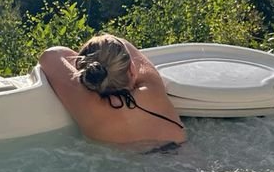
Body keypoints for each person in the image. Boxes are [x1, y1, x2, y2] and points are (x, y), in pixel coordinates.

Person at [39, 33, 187, 150]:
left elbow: (50, 55)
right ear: (132, 70)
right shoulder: (152, 88)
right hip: (184, 162)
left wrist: (88, 70)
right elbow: (124, 44)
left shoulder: (89, 106)